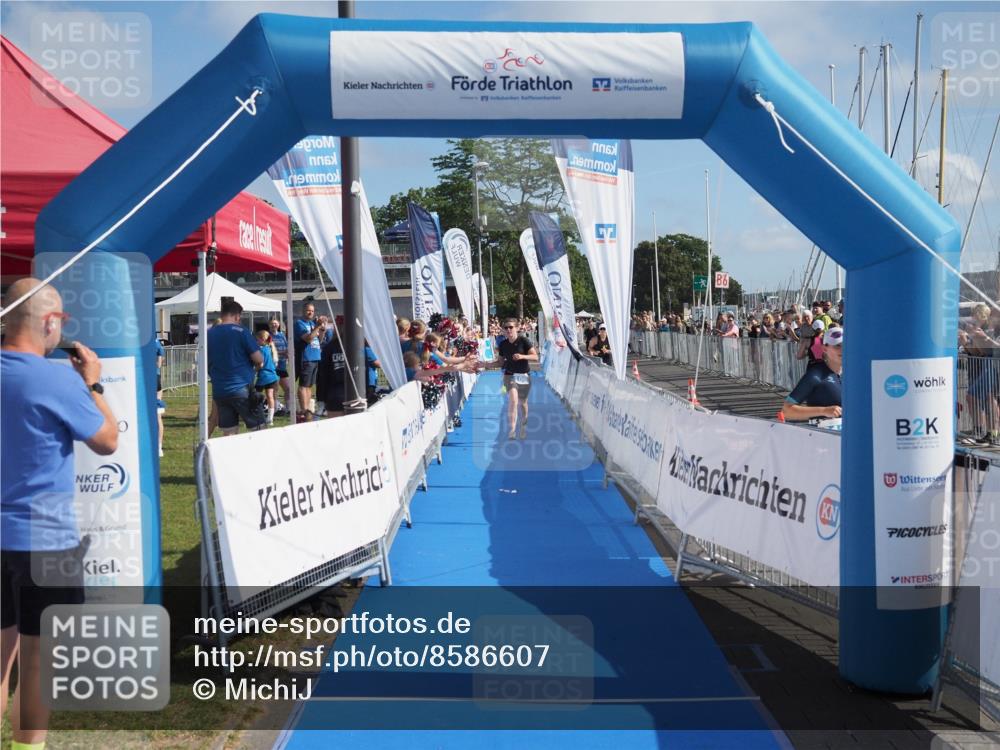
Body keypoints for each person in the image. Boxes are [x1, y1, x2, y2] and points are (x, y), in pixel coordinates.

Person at [1, 278, 118, 749]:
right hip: (45, 540)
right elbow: (107, 440)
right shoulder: (58, 379)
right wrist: (94, 383)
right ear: (51, 322)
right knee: (38, 657)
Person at [207, 299, 264, 435]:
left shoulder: (209, 333)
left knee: (229, 433)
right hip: (241, 388)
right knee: (258, 429)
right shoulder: (241, 332)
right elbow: (259, 359)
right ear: (238, 316)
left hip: (220, 390)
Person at [481, 318, 539, 439]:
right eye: (506, 328)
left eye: (511, 327)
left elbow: (535, 357)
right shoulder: (503, 344)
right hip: (509, 374)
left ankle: (523, 425)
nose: (508, 330)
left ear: (517, 328)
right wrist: (485, 364)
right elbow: (500, 363)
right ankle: (512, 430)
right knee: (513, 401)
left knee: (523, 403)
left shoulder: (524, 341)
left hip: (523, 374)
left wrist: (522, 356)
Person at [782, 327, 843, 421]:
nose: (843, 349)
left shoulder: (854, 375)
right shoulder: (816, 375)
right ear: (824, 348)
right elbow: (787, 411)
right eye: (837, 345)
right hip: (824, 433)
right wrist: (824, 411)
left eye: (846, 345)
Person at [294, 303, 326, 422]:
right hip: (306, 357)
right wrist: (317, 327)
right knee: (303, 385)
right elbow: (307, 338)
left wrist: (322, 328)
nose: (310, 313)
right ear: (303, 310)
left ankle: (307, 410)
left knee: (309, 386)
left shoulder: (313, 323)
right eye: (308, 310)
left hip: (315, 357)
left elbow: (320, 340)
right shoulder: (299, 323)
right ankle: (304, 411)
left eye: (312, 311)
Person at [254, 327, 279, 425]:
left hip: (264, 377)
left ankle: (257, 416)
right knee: (270, 397)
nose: (256, 341)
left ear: (262, 339)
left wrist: (253, 370)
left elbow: (260, 364)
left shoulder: (261, 350)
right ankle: (270, 419)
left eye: (257, 339)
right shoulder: (270, 348)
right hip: (273, 377)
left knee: (255, 397)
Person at [268, 318, 291, 416]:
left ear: (278, 324)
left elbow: (287, 348)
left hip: (282, 366)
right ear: (269, 325)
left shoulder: (282, 335)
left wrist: (288, 355)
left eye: (276, 323)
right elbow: (268, 351)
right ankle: (275, 408)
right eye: (272, 323)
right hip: (273, 367)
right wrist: (282, 352)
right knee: (275, 388)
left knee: (288, 388)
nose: (274, 325)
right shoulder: (268, 336)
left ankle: (288, 408)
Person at [155, 335, 166, 457]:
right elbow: (159, 363)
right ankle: (159, 447)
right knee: (157, 416)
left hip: (147, 378)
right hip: (155, 378)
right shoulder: (156, 342)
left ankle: (158, 447)